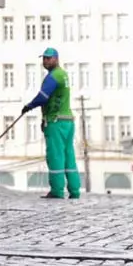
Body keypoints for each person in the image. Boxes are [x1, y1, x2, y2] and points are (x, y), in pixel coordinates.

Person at [21, 47, 81, 199]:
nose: (46, 61)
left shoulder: (53, 76)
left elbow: (43, 97)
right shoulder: (63, 75)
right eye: (44, 58)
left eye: (49, 58)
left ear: (56, 59)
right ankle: (74, 190)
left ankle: (57, 190)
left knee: (55, 156)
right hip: (67, 121)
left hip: (56, 122)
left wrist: (29, 106)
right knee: (69, 156)